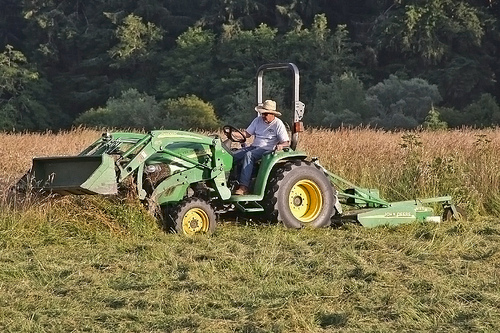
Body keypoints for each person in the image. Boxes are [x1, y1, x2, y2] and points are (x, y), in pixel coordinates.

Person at [233, 99, 290, 195]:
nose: (263, 116)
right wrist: (232, 133)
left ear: (273, 114)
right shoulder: (257, 120)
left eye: (266, 114)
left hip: (267, 150)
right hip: (254, 146)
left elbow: (286, 142)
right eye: (262, 114)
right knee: (232, 156)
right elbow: (247, 134)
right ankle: (231, 182)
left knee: (249, 155)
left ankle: (243, 187)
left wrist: (281, 145)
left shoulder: (278, 124)